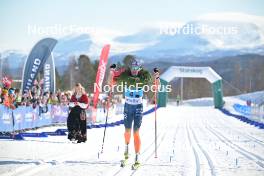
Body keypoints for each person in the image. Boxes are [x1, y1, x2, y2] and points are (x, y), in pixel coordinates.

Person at [110, 59, 152, 167]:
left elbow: (148, 79)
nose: (134, 70)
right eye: (133, 68)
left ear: (139, 69)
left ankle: (137, 157)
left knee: (136, 133)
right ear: (131, 68)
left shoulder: (141, 77)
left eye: (136, 68)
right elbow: (115, 80)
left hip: (138, 107)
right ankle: (126, 151)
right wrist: (113, 73)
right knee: (127, 131)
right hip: (128, 107)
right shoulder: (126, 76)